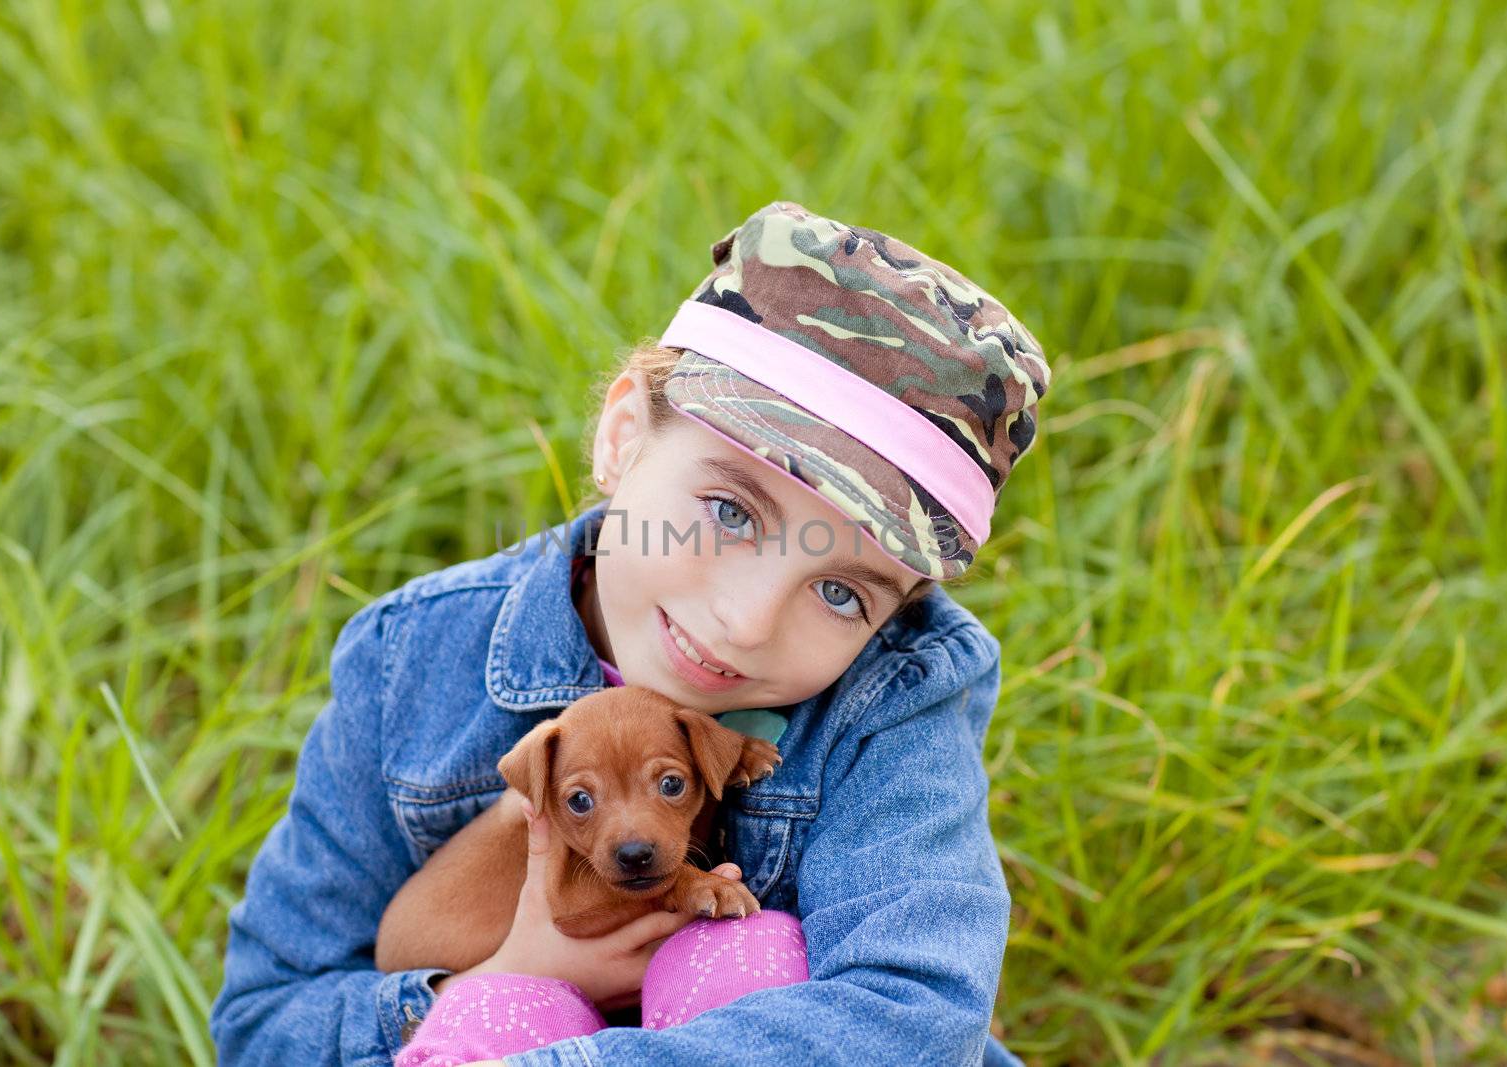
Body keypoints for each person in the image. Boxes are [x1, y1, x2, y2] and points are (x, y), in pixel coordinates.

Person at [210, 200, 1050, 1066]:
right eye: (730, 510)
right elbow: (266, 1020)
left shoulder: (894, 701)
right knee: (498, 1014)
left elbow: (916, 1012)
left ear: (902, 603)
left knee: (749, 956)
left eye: (841, 591)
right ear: (622, 439)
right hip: (488, 1017)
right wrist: (501, 981)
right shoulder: (412, 660)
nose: (747, 620)